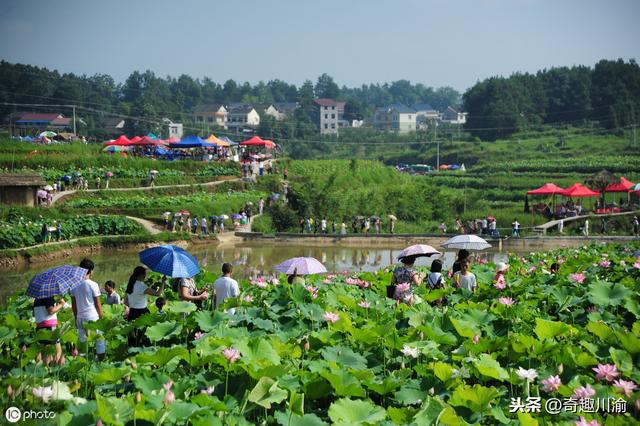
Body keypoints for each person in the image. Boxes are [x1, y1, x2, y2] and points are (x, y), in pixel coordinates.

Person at [71, 258, 105, 360]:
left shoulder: (73, 285)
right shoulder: (93, 284)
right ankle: (101, 362)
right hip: (92, 316)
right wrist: (101, 317)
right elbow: (98, 304)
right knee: (99, 341)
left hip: (80, 317)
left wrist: (77, 317)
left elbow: (74, 305)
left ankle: (82, 364)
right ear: (90, 270)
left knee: (82, 341)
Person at [123, 266, 165, 346]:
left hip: (132, 312)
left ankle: (133, 353)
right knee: (144, 337)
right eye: (144, 274)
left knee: (133, 336)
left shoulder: (130, 285)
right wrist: (163, 282)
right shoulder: (142, 286)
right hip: (142, 313)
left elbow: (125, 301)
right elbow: (158, 294)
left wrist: (133, 305)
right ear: (141, 275)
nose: (145, 276)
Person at [34, 295, 67, 364]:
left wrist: (56, 306)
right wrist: (61, 304)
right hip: (49, 326)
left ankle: (47, 371)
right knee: (58, 352)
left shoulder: (37, 298)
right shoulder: (49, 296)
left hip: (39, 327)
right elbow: (51, 311)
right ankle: (59, 371)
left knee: (45, 353)